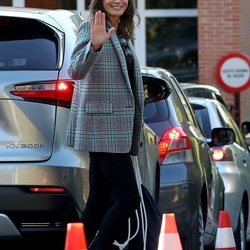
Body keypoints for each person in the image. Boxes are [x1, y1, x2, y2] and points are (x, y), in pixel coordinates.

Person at [65, 0, 144, 249]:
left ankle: (76, 246)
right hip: (103, 127)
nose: (117, 0)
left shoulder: (122, 32)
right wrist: (95, 46)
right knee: (128, 197)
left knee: (99, 200)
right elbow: (75, 71)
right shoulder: (91, 28)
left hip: (115, 127)